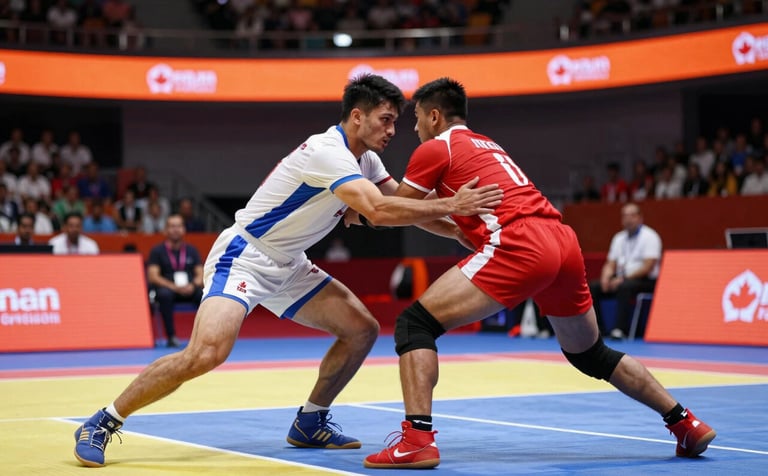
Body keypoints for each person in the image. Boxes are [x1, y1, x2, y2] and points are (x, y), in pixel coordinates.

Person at [72, 74, 502, 468]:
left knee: (361, 330)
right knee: (206, 353)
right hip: (245, 255)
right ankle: (103, 421)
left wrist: (459, 232)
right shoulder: (327, 152)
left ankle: (310, 421)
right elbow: (379, 210)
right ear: (357, 116)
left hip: (290, 263)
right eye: (385, 120)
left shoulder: (367, 161)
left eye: (395, 122)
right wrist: (453, 204)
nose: (392, 131)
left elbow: (406, 206)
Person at [363, 78, 715, 470]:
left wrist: (357, 207)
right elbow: (426, 211)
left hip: (520, 243)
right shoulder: (487, 145)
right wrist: (454, 224)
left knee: (415, 325)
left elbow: (395, 211)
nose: (413, 128)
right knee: (592, 354)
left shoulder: (434, 148)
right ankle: (685, 422)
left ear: (434, 116)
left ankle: (417, 441)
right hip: (562, 240)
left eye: (415, 119)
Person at [589, 203, 661, 340]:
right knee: (594, 287)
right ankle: (598, 330)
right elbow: (610, 263)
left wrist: (623, 279)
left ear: (640, 218)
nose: (628, 219)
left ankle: (619, 329)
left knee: (624, 287)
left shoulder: (650, 236)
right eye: (625, 216)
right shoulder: (618, 238)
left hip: (645, 280)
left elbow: (648, 267)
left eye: (632, 216)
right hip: (621, 278)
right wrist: (606, 277)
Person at [146, 214, 204, 348]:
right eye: (172, 226)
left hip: (189, 288)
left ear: (184, 229)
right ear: (165, 230)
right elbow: (153, 276)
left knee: (204, 295)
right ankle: (171, 337)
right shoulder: (157, 251)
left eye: (179, 226)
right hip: (168, 289)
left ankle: (203, 336)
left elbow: (201, 274)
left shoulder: (192, 250)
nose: (175, 229)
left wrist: (192, 285)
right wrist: (174, 287)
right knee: (164, 295)